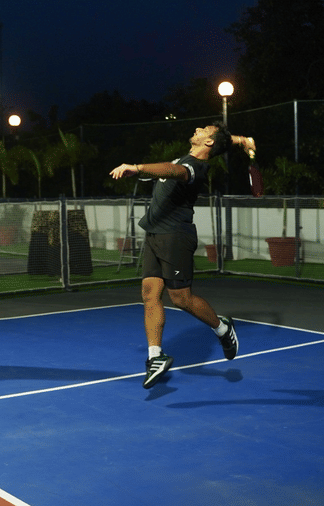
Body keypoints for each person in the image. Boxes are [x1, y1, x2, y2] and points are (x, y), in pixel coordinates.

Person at [109, 122, 256, 389]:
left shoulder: (194, 168)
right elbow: (221, 140)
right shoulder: (192, 155)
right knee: (149, 294)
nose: (198, 128)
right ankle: (155, 356)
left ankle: (222, 328)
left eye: (204, 130)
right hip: (155, 233)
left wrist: (138, 167)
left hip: (175, 237)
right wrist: (242, 139)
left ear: (208, 143)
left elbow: (173, 170)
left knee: (181, 299)